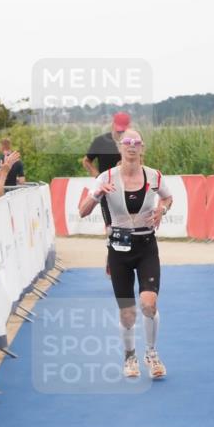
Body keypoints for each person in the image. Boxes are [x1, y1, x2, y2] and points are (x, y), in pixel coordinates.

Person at [78, 129, 173, 380]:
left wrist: (162, 209)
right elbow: (83, 211)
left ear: (142, 148)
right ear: (120, 148)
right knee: (128, 313)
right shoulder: (105, 177)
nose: (131, 146)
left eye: (136, 143)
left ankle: (151, 353)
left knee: (148, 303)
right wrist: (98, 194)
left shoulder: (154, 176)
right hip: (118, 249)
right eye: (127, 143)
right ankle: (129, 355)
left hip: (146, 245)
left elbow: (168, 198)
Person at [83, 112, 131, 229]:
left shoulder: (133, 142)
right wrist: (99, 178)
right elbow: (86, 161)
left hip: (129, 187)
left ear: (129, 126)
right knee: (110, 227)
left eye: (123, 130)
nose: (120, 133)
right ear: (112, 125)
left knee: (128, 224)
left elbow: (140, 162)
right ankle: (111, 244)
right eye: (118, 130)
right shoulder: (100, 141)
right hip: (107, 190)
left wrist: (127, 165)